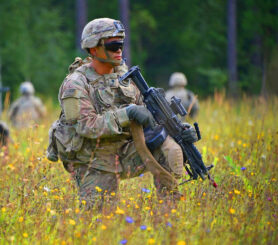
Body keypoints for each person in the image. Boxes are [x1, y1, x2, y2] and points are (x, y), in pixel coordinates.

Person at [47, 18, 198, 210]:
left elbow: (147, 115)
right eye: (113, 45)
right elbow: (86, 126)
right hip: (92, 160)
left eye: (121, 44)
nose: (119, 50)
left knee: (170, 146)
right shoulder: (75, 84)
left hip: (124, 152)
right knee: (100, 218)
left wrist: (176, 130)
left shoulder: (124, 77)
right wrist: (127, 113)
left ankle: (168, 212)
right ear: (93, 49)